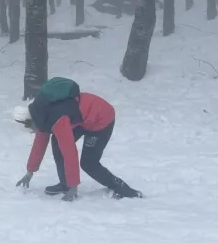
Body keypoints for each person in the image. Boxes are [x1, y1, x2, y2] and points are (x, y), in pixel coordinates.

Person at [13, 77, 143, 201]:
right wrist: (29, 173)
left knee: (89, 163)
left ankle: (123, 190)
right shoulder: (40, 116)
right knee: (57, 143)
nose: (32, 132)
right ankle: (65, 184)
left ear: (31, 122)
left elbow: (69, 152)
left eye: (30, 129)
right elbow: (39, 146)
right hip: (81, 119)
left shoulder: (57, 121)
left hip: (101, 118)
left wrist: (74, 186)